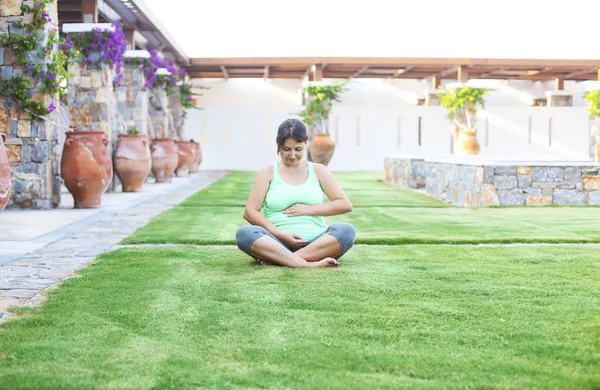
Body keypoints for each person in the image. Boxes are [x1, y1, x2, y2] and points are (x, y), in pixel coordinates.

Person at [236, 118, 356, 268]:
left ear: (306, 144)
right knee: (244, 234)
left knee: (347, 231)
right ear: (279, 146)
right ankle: (308, 264)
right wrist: (280, 235)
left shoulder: (319, 171)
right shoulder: (267, 172)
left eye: (298, 149)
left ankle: (282, 260)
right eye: (287, 149)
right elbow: (250, 212)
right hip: (276, 242)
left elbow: (344, 204)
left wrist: (309, 209)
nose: (292, 155)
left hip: (315, 243)